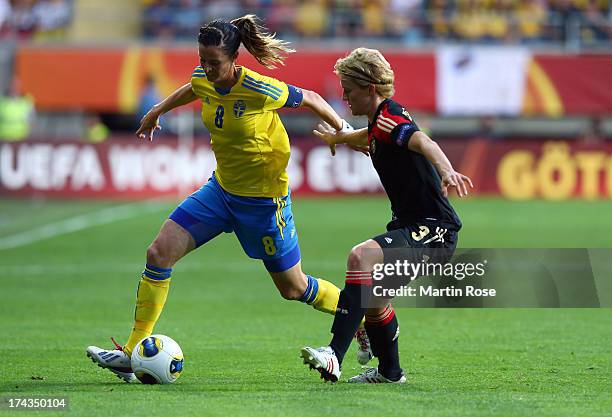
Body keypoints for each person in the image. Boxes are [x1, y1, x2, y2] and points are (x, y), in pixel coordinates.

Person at [86, 15, 370, 383]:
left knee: (293, 288)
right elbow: (193, 86)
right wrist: (157, 110)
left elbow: (312, 98)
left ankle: (358, 318)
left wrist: (345, 133)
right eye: (202, 60)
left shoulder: (258, 88)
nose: (207, 69)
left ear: (234, 58)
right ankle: (131, 351)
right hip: (219, 193)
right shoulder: (204, 77)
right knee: (158, 253)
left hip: (265, 203)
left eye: (215, 63)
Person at [300, 47, 473, 383]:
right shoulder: (379, 123)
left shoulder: (392, 117)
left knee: (360, 256)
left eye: (349, 91)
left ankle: (334, 354)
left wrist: (447, 170)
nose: (345, 98)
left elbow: (423, 141)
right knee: (374, 299)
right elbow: (368, 136)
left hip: (434, 230)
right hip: (415, 227)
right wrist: (341, 136)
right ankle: (390, 373)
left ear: (370, 89)